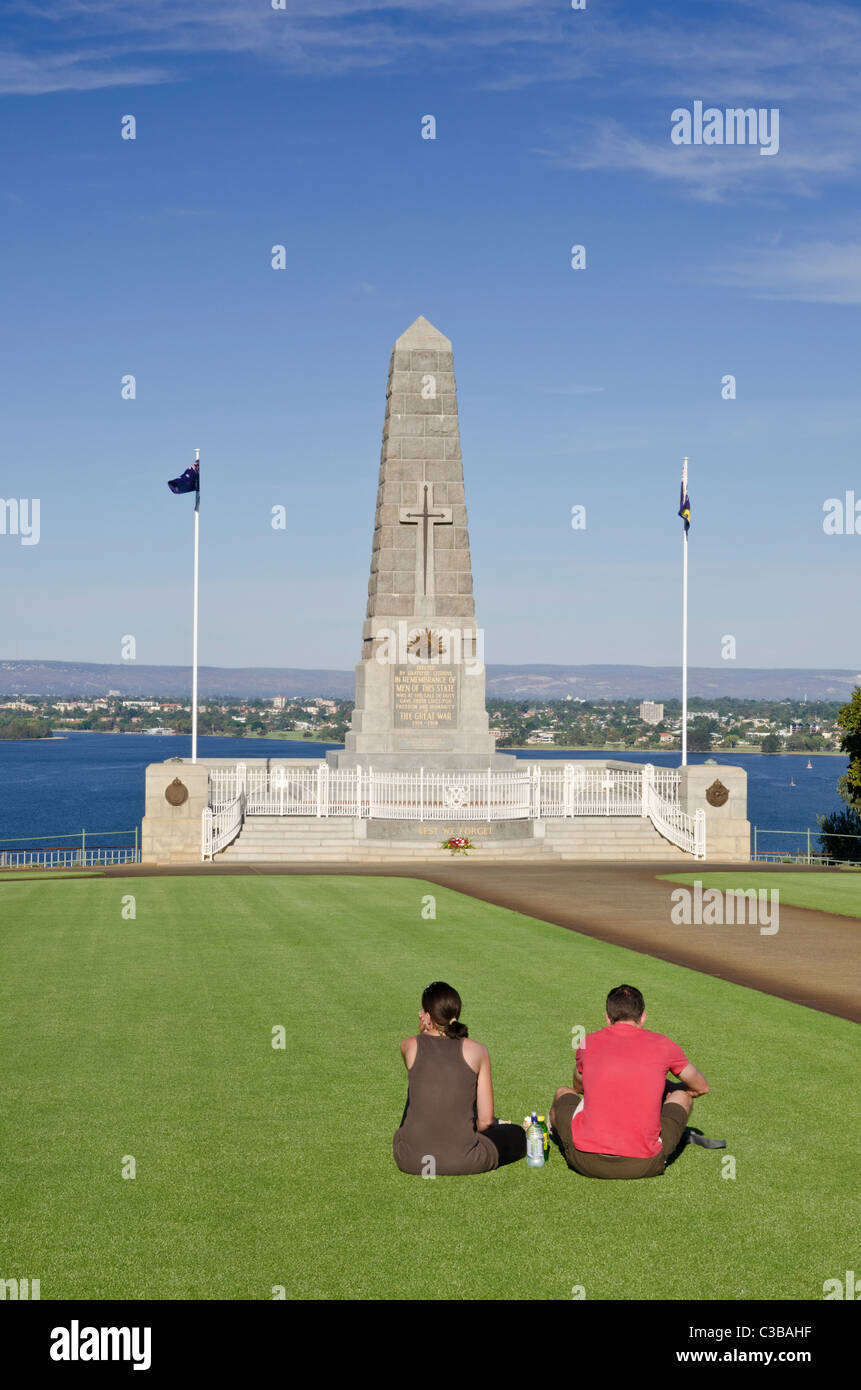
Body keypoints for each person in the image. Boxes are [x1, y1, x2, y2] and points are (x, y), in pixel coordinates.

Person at [549, 983, 722, 1180]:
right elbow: (701, 1087)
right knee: (682, 1097)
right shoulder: (663, 1045)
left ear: (607, 1017)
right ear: (643, 1017)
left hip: (585, 1161)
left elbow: (578, 1088)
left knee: (563, 1093)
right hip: (644, 1165)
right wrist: (669, 1089)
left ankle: (555, 1132)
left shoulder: (587, 1042)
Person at [393, 981, 527, 1175]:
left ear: (428, 1016)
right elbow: (485, 1121)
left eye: (422, 1011)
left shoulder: (408, 1045)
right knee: (517, 1134)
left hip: (410, 1158)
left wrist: (422, 1034)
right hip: (464, 1160)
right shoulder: (478, 1050)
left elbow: (427, 1080)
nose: (419, 1014)